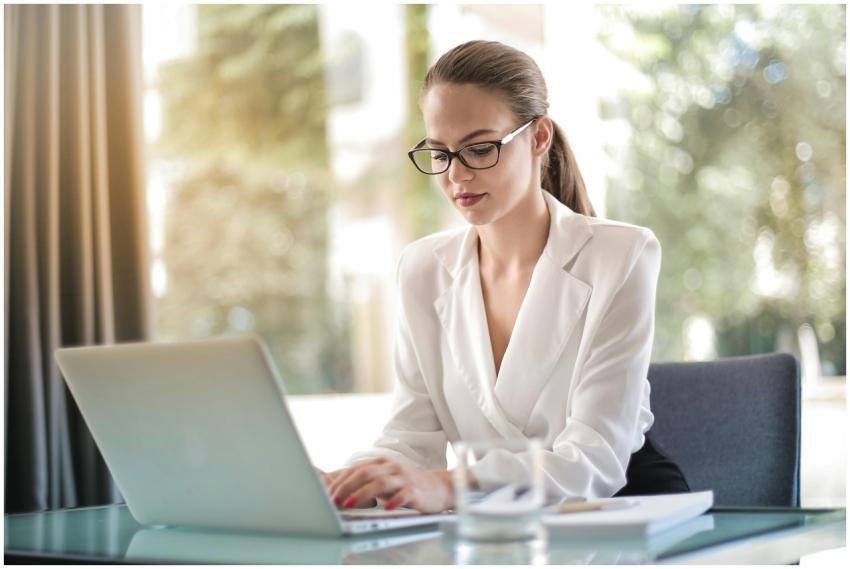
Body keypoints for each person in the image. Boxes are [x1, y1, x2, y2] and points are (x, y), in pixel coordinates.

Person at [321, 40, 689, 514]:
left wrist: (452, 487)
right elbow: (410, 438)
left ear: (539, 139)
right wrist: (345, 483)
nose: (456, 175)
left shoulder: (622, 255)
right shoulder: (422, 269)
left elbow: (593, 461)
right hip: (498, 524)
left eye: (479, 148)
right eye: (440, 152)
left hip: (620, 513)